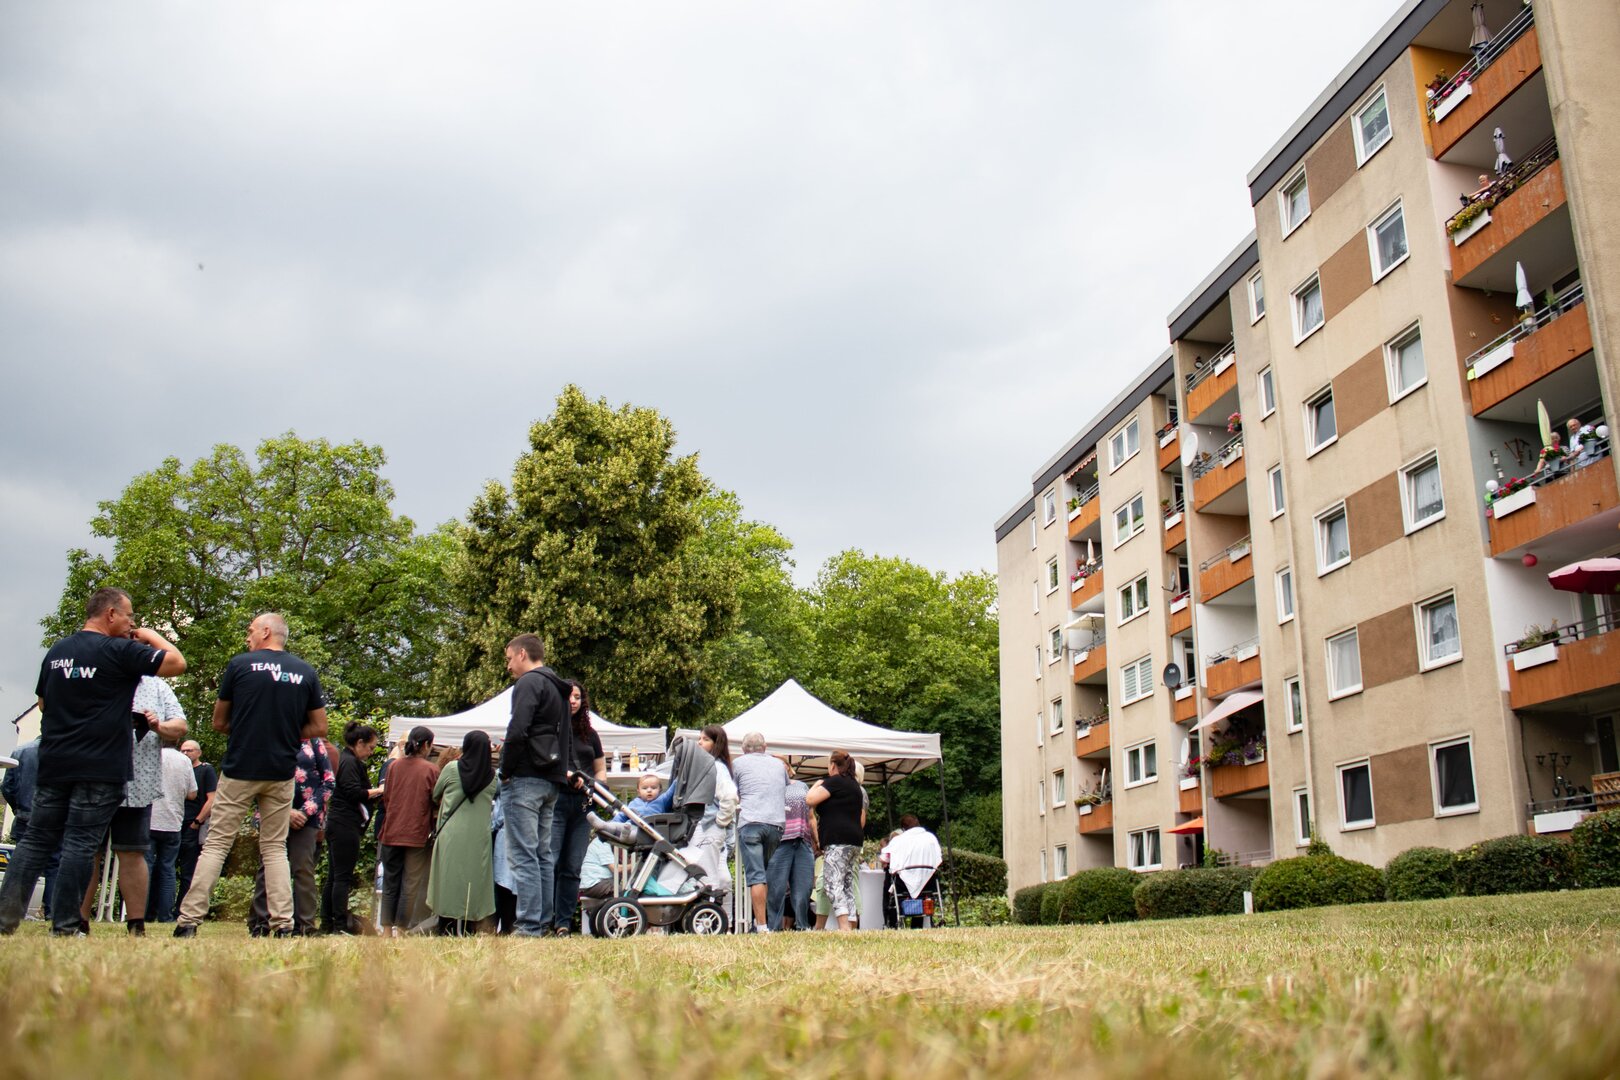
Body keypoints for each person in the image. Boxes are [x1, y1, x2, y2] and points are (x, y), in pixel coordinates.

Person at [0, 587, 185, 937]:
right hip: (100, 765)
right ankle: (66, 926)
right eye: (129, 616)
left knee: (36, 840)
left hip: (55, 760)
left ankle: (5, 919)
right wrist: (147, 635)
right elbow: (176, 662)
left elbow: (43, 703)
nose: (132, 623)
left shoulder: (59, 650)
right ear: (111, 615)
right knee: (80, 844)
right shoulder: (119, 650)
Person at [174, 611, 324, 938]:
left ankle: (188, 921)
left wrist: (250, 729)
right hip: (281, 770)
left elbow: (218, 721)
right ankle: (283, 925)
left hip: (241, 766)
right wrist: (283, 733)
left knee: (216, 845)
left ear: (266, 631)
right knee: (274, 848)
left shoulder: (240, 665)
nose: (248, 636)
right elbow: (320, 726)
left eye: (251, 630)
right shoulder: (305, 672)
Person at [77, 674, 188, 935]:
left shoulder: (157, 686)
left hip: (139, 781)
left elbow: (180, 726)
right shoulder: (98, 674)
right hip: (95, 775)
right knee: (87, 851)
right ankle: (78, 920)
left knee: (133, 852)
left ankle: (136, 925)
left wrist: (157, 725)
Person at [497, 633, 575, 938]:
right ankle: (542, 922)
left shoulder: (529, 683)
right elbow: (565, 738)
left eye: (508, 658)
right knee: (543, 854)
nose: (508, 666)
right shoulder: (559, 688)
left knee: (523, 853)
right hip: (551, 779)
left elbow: (517, 730)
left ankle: (528, 925)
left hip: (525, 777)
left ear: (521, 654)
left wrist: (505, 769)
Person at [248, 735, 334, 935]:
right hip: (272, 813)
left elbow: (329, 782)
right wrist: (286, 812)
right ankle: (262, 923)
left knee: (303, 868)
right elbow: (253, 781)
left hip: (307, 817)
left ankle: (305, 925)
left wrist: (305, 811)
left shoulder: (314, 743)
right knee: (267, 867)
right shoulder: (270, 737)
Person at [548, 681, 605, 936]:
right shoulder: (551, 730)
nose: (573, 701)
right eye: (569, 696)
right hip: (557, 799)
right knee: (550, 862)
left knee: (572, 866)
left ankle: (563, 923)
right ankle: (542, 919)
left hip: (584, 804)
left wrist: (596, 785)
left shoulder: (590, 734)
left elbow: (600, 768)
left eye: (577, 697)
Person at [427, 730, 497, 934]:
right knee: (474, 880)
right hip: (479, 837)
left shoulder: (451, 768)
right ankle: (469, 926)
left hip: (451, 832)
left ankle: (446, 925)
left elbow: (436, 793)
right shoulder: (492, 778)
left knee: (448, 877)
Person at [378, 726, 439, 935]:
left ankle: (386, 930)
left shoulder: (393, 767)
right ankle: (402, 929)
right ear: (426, 745)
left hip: (392, 830)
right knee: (410, 884)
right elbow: (436, 801)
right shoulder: (431, 770)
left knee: (390, 881)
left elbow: (387, 798)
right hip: (416, 833)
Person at [325, 722, 383, 935]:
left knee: (334, 876)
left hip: (338, 822)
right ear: (359, 743)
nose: (371, 752)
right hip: (344, 823)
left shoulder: (345, 759)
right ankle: (339, 925)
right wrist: (377, 790)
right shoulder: (349, 762)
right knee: (342, 877)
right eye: (370, 747)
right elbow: (352, 792)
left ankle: (328, 922)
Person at [731, 732, 787, 932]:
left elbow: (731, 793)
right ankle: (759, 921)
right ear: (765, 747)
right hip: (776, 825)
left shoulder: (738, 764)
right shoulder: (779, 765)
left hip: (751, 822)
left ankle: (762, 927)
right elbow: (784, 787)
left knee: (756, 876)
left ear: (744, 749)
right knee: (761, 873)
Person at [806, 749, 864, 932]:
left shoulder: (834, 782)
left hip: (838, 840)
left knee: (832, 883)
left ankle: (844, 926)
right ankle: (852, 923)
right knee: (847, 883)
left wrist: (817, 783)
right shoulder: (855, 785)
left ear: (832, 765)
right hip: (855, 840)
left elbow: (809, 800)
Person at [1, 737, 59, 920]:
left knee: (23, 862)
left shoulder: (21, 751)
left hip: (26, 815)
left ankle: (15, 911)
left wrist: (18, 808)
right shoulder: (65, 752)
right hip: (56, 816)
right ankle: (52, 912)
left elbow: (7, 787)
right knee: (55, 864)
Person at [144, 735, 198, 923]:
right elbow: (192, 794)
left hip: (150, 818)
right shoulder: (184, 761)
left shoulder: (151, 755)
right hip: (173, 821)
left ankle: (142, 913)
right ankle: (165, 915)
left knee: (146, 867)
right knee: (167, 869)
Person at [765, 762, 813, 931]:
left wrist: (816, 841)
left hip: (802, 841)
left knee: (804, 888)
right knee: (776, 889)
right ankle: (773, 927)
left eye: (781, 762)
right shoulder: (767, 787)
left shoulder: (802, 786)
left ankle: (802, 925)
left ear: (788, 766)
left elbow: (811, 815)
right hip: (779, 842)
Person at [689, 726, 738, 890]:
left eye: (705, 739)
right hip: (711, 827)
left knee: (706, 876)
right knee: (721, 878)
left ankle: (713, 912)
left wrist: (720, 821)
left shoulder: (716, 766)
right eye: (700, 738)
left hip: (709, 827)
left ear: (716, 744)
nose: (700, 742)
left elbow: (730, 796)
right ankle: (723, 915)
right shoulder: (713, 766)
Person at [174, 739, 216, 913]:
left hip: (193, 825)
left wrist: (197, 822)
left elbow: (212, 799)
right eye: (182, 751)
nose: (185, 754)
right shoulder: (177, 769)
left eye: (189, 750)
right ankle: (158, 910)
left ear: (198, 752)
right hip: (173, 823)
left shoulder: (206, 770)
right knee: (165, 867)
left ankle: (182, 910)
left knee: (188, 871)